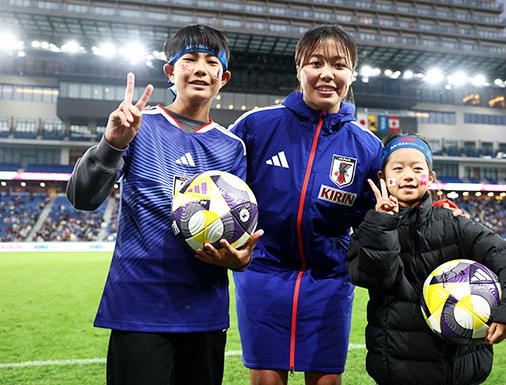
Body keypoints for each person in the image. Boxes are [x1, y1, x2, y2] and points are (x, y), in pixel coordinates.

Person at [67, 24, 261, 385]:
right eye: (190, 59)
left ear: (223, 78)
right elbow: (83, 198)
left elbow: (237, 229)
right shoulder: (139, 125)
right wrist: (112, 144)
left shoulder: (232, 147)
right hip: (139, 305)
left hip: (204, 311)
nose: (201, 69)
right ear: (170, 72)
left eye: (212, 62)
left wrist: (240, 259)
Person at [227, 25, 383, 385]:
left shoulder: (368, 146)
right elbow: (223, 190)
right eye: (316, 63)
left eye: (339, 65)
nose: (327, 74)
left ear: (351, 74)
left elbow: (373, 223)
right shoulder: (255, 125)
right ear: (299, 70)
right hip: (262, 275)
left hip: (330, 281)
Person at [347, 134, 506, 385]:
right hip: (397, 366)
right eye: (398, 168)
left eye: (418, 168)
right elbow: (374, 278)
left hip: (459, 368)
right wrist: (383, 224)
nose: (408, 175)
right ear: (383, 178)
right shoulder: (370, 229)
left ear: (430, 177)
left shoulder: (455, 223)